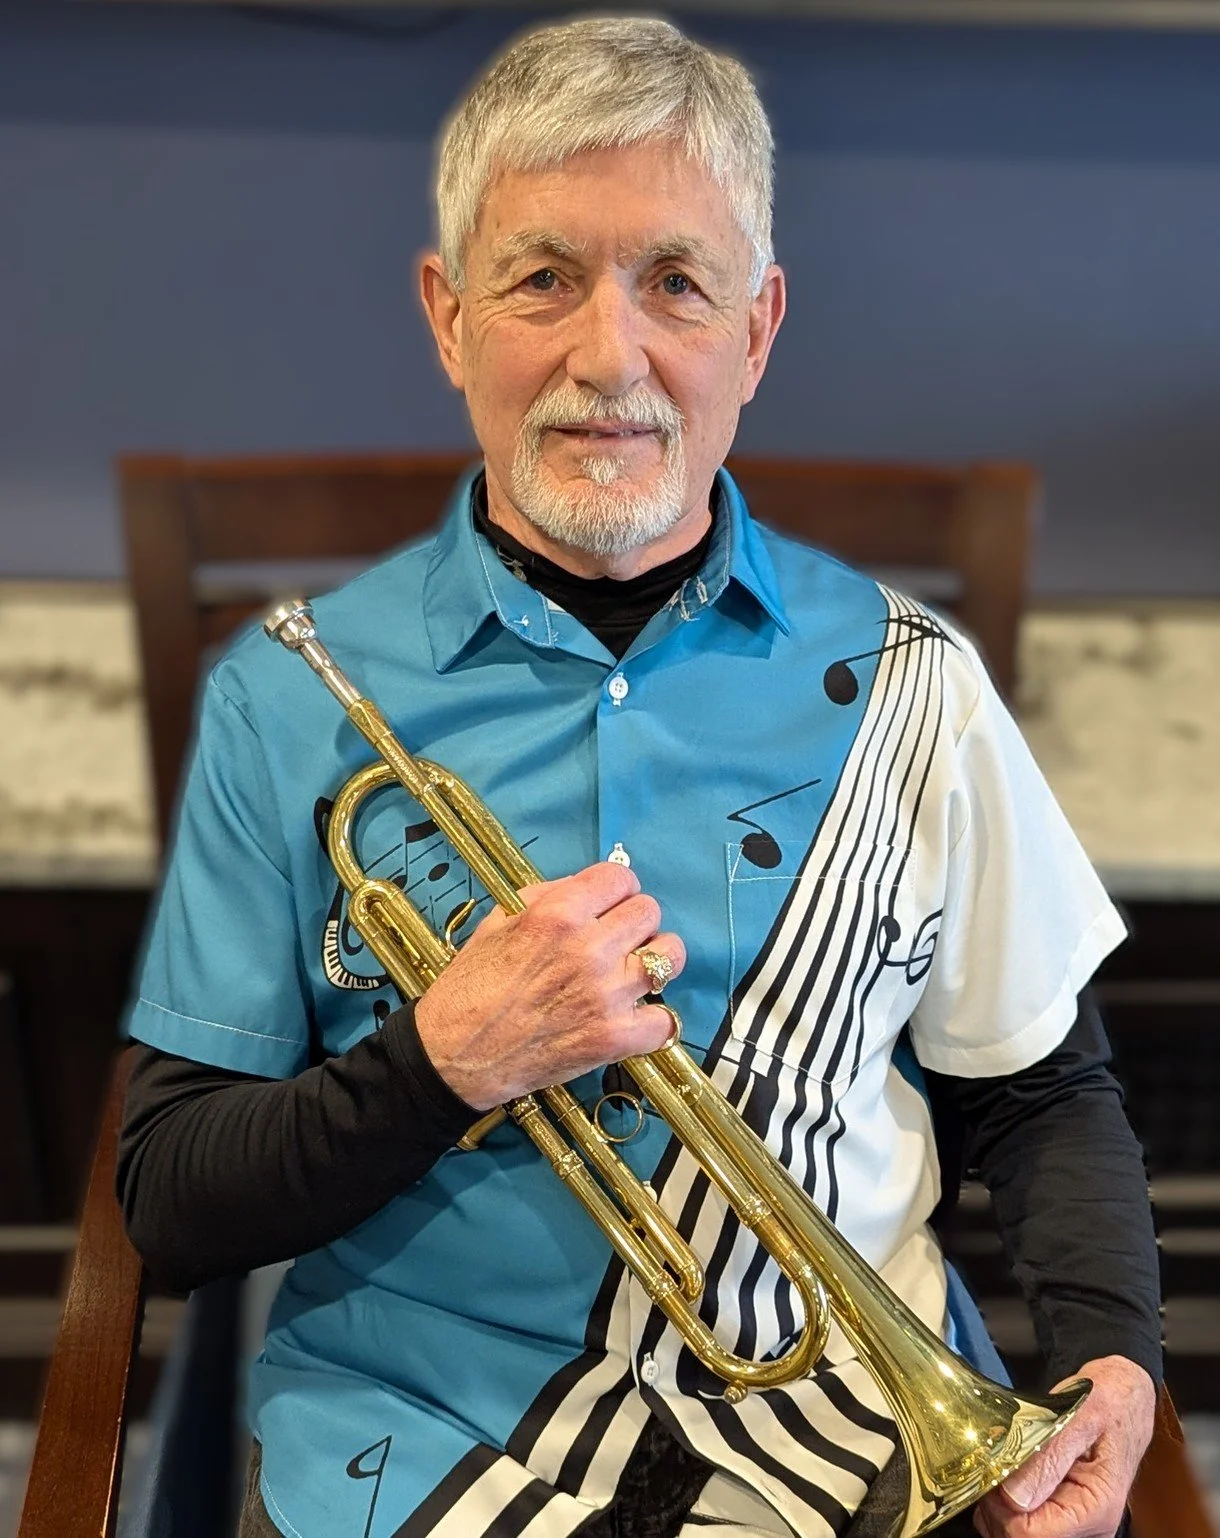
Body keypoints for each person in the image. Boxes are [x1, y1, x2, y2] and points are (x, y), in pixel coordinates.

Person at [117, 17, 1161, 1538]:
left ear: (759, 329)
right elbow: (169, 1195)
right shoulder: (290, 699)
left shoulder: (915, 685)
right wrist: (443, 1061)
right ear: (449, 315)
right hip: (417, 1437)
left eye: (677, 282)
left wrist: (1117, 1361)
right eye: (543, 279)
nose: (611, 357)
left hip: (854, 1430)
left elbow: (1044, 1091)